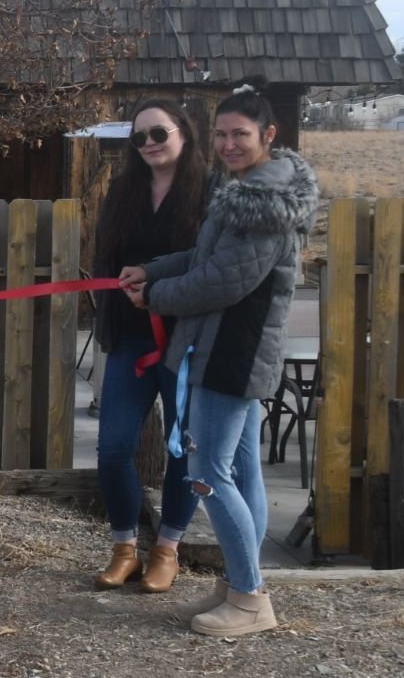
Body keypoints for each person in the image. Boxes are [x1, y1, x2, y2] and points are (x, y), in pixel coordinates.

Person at [121, 78, 318, 638]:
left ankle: (252, 599)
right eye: (223, 134)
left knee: (208, 472)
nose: (229, 144)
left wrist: (153, 297)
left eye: (241, 134)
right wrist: (155, 269)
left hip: (232, 353)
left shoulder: (263, 203)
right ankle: (239, 583)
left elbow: (221, 283)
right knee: (244, 472)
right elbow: (203, 255)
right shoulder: (243, 189)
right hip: (222, 347)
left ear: (269, 135)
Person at [90, 98, 208, 593]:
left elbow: (209, 265)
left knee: (183, 449)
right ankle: (124, 548)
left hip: (186, 340)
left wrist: (157, 291)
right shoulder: (122, 191)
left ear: (183, 132)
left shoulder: (210, 193)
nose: (149, 145)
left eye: (158, 133)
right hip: (130, 337)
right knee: (113, 447)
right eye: (138, 138)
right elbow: (104, 258)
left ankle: (167, 550)